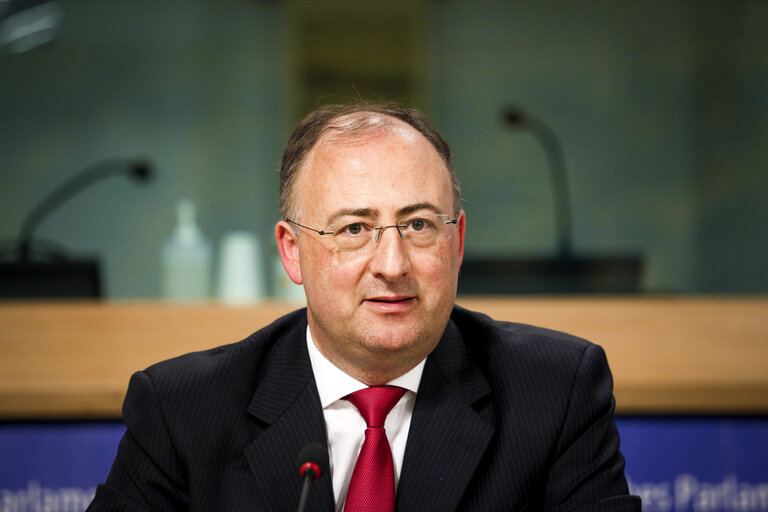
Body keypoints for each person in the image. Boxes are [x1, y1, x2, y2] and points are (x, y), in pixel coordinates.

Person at [88, 103, 640, 511]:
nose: (392, 264)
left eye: (420, 225)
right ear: (292, 252)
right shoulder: (184, 411)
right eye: (354, 229)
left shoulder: (554, 392)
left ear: (459, 242)